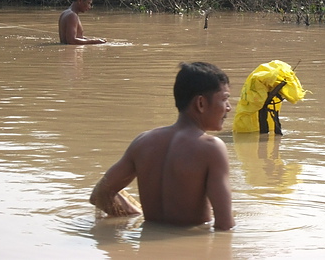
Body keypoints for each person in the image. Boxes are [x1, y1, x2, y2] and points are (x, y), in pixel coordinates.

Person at [89, 62, 235, 231]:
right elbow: (225, 225)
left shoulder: (143, 142)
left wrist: (136, 215)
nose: (229, 108)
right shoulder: (211, 148)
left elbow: (100, 195)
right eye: (224, 99)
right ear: (200, 103)